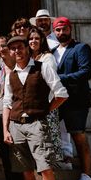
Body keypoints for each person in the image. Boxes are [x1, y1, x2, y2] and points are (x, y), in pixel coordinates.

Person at [3, 36, 68, 180]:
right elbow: (7, 103)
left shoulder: (42, 67)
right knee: (26, 171)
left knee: (45, 168)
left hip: (37, 123)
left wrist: (45, 110)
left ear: (27, 49)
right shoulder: (10, 74)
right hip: (16, 125)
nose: (17, 51)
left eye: (20, 47)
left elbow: (61, 94)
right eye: (13, 49)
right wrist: (5, 129)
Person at [52, 16, 91, 180]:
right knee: (50, 134)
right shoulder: (53, 51)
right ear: (54, 31)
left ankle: (87, 175)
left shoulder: (81, 48)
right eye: (58, 30)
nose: (61, 32)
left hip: (76, 101)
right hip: (57, 100)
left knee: (78, 136)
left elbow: (85, 72)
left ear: (70, 29)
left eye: (64, 29)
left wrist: (59, 78)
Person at [28, 27, 67, 167]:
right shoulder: (27, 57)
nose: (33, 41)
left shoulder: (47, 57)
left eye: (37, 38)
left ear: (42, 41)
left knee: (47, 149)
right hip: (31, 106)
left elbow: (47, 82)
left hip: (45, 105)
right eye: (31, 38)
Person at [0, 36, 25, 180]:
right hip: (1, 112)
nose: (1, 50)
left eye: (3, 46)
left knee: (19, 148)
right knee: (5, 150)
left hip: (18, 111)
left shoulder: (20, 65)